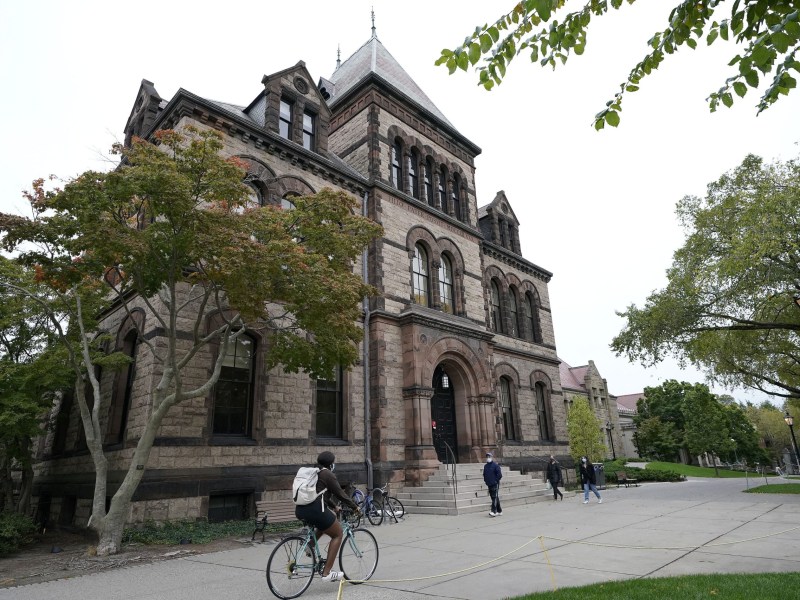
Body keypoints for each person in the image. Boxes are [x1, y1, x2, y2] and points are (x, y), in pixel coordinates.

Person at [294, 451, 360, 582]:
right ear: (331, 464)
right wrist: (355, 507)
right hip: (315, 510)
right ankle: (327, 573)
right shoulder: (327, 474)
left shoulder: (314, 472)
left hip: (300, 509)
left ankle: (309, 545)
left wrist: (334, 506)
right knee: (338, 533)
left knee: (325, 524)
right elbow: (340, 493)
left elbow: (319, 494)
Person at [483, 451, 503, 516]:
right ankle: (499, 510)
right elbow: (484, 474)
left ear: (492, 457)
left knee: (494, 497)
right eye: (487, 457)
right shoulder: (485, 466)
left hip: (495, 483)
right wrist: (486, 481)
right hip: (489, 483)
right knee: (493, 497)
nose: (488, 458)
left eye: (489, 456)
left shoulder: (495, 465)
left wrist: (495, 481)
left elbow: (499, 475)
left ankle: (493, 511)